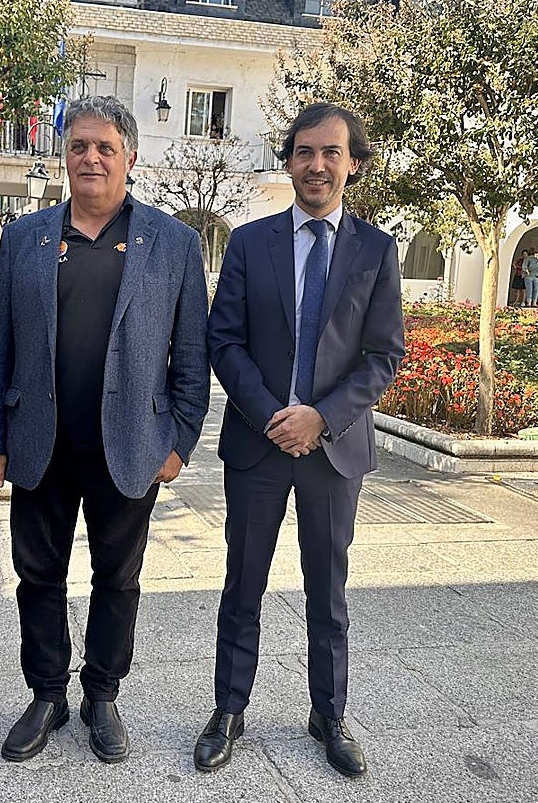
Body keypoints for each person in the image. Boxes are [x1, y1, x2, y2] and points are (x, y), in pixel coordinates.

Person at [0, 96, 210, 765]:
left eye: (105, 147)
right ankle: (46, 693)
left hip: (131, 445)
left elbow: (191, 355)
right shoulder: (24, 237)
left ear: (130, 158)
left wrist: (180, 441)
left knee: (118, 578)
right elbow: (0, 347)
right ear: (65, 156)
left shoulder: (173, 242)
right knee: (38, 576)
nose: (91, 157)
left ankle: (101, 694)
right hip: (40, 443)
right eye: (80, 145)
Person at [194, 102, 404, 777]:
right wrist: (271, 415)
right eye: (305, 152)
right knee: (243, 585)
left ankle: (329, 713)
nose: (317, 165)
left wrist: (320, 417)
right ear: (288, 161)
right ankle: (229, 709)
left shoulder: (377, 250)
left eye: (331, 153)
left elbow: (383, 355)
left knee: (328, 589)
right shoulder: (251, 243)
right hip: (258, 446)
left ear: (354, 164)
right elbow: (222, 339)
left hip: (333, 451)